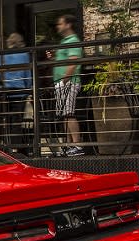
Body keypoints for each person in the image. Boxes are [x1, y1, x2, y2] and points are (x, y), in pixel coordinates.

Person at [50, 14, 83, 156]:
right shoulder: (64, 41)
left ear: (68, 25)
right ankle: (68, 147)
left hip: (69, 82)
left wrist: (64, 80)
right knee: (65, 115)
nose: (58, 26)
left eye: (60, 24)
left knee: (69, 113)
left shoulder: (73, 40)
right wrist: (52, 57)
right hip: (62, 83)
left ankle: (77, 146)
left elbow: (73, 62)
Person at [0, 32, 32, 155]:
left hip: (5, 93)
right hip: (19, 92)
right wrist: (28, 90)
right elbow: (28, 74)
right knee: (17, 122)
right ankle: (16, 149)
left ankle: (8, 148)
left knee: (6, 121)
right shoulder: (24, 55)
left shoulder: (2, 56)